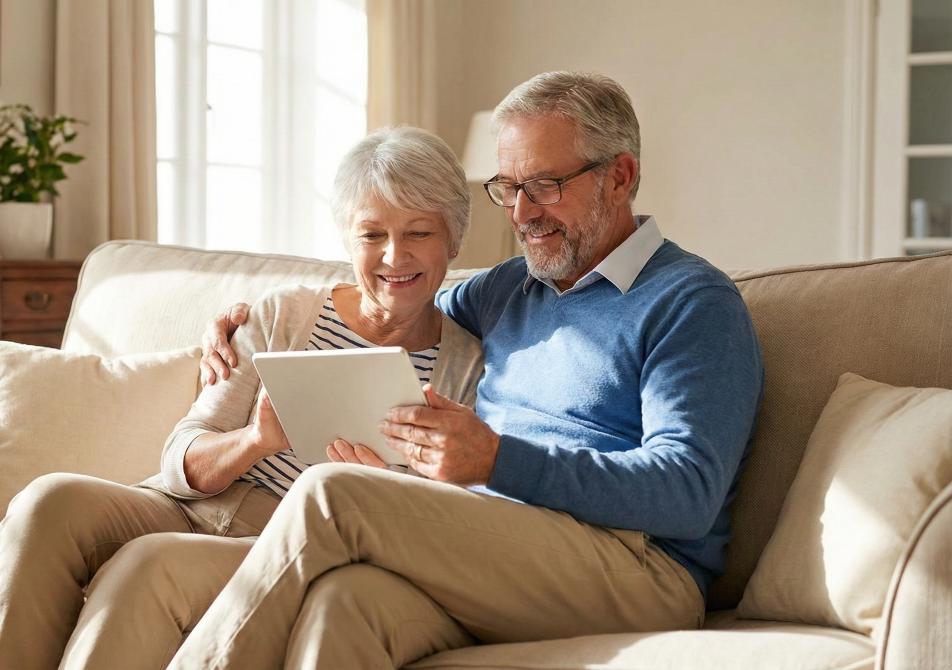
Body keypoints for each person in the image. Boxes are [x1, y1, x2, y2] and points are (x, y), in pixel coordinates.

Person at [171, 71, 765, 669]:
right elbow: (398, 300)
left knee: (333, 494)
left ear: (620, 176)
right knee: (347, 604)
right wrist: (238, 323)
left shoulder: (692, 302)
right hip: (495, 540)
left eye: (545, 185)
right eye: (508, 188)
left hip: (637, 569)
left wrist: (496, 461)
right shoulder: (511, 287)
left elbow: (687, 491)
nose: (521, 212)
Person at [0, 125, 484, 670]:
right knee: (45, 503)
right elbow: (179, 459)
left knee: (150, 562)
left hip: (283, 540)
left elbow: (434, 518)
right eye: (371, 234)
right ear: (347, 238)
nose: (393, 256)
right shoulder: (285, 313)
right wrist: (255, 440)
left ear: (453, 239)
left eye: (418, 233)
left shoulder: (469, 367)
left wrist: (378, 482)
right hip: (185, 504)